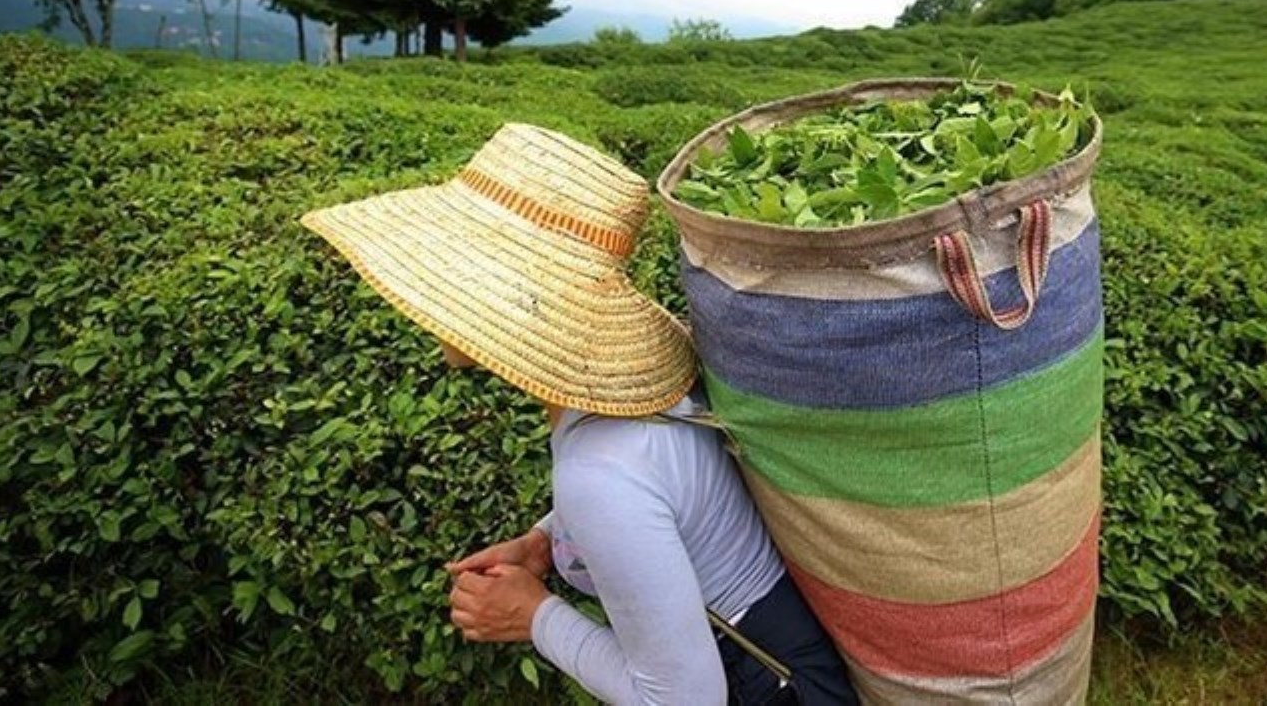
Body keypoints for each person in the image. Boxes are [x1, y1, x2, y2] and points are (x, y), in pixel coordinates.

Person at [301, 123, 858, 705]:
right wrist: (545, 543)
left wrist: (533, 617)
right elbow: (664, 497)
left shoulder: (599, 472)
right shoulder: (630, 407)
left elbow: (682, 700)